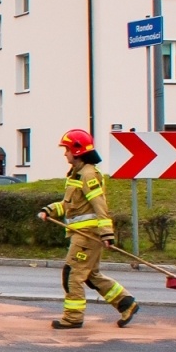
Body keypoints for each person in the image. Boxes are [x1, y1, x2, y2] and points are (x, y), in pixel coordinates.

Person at [40, 129, 138, 330]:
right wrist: (49, 210)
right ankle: (126, 304)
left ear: (76, 151)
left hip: (87, 236)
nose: (64, 154)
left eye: (66, 149)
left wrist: (107, 233)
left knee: (72, 274)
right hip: (83, 235)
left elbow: (99, 205)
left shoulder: (88, 175)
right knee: (91, 276)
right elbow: (71, 206)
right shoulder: (77, 174)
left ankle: (73, 317)